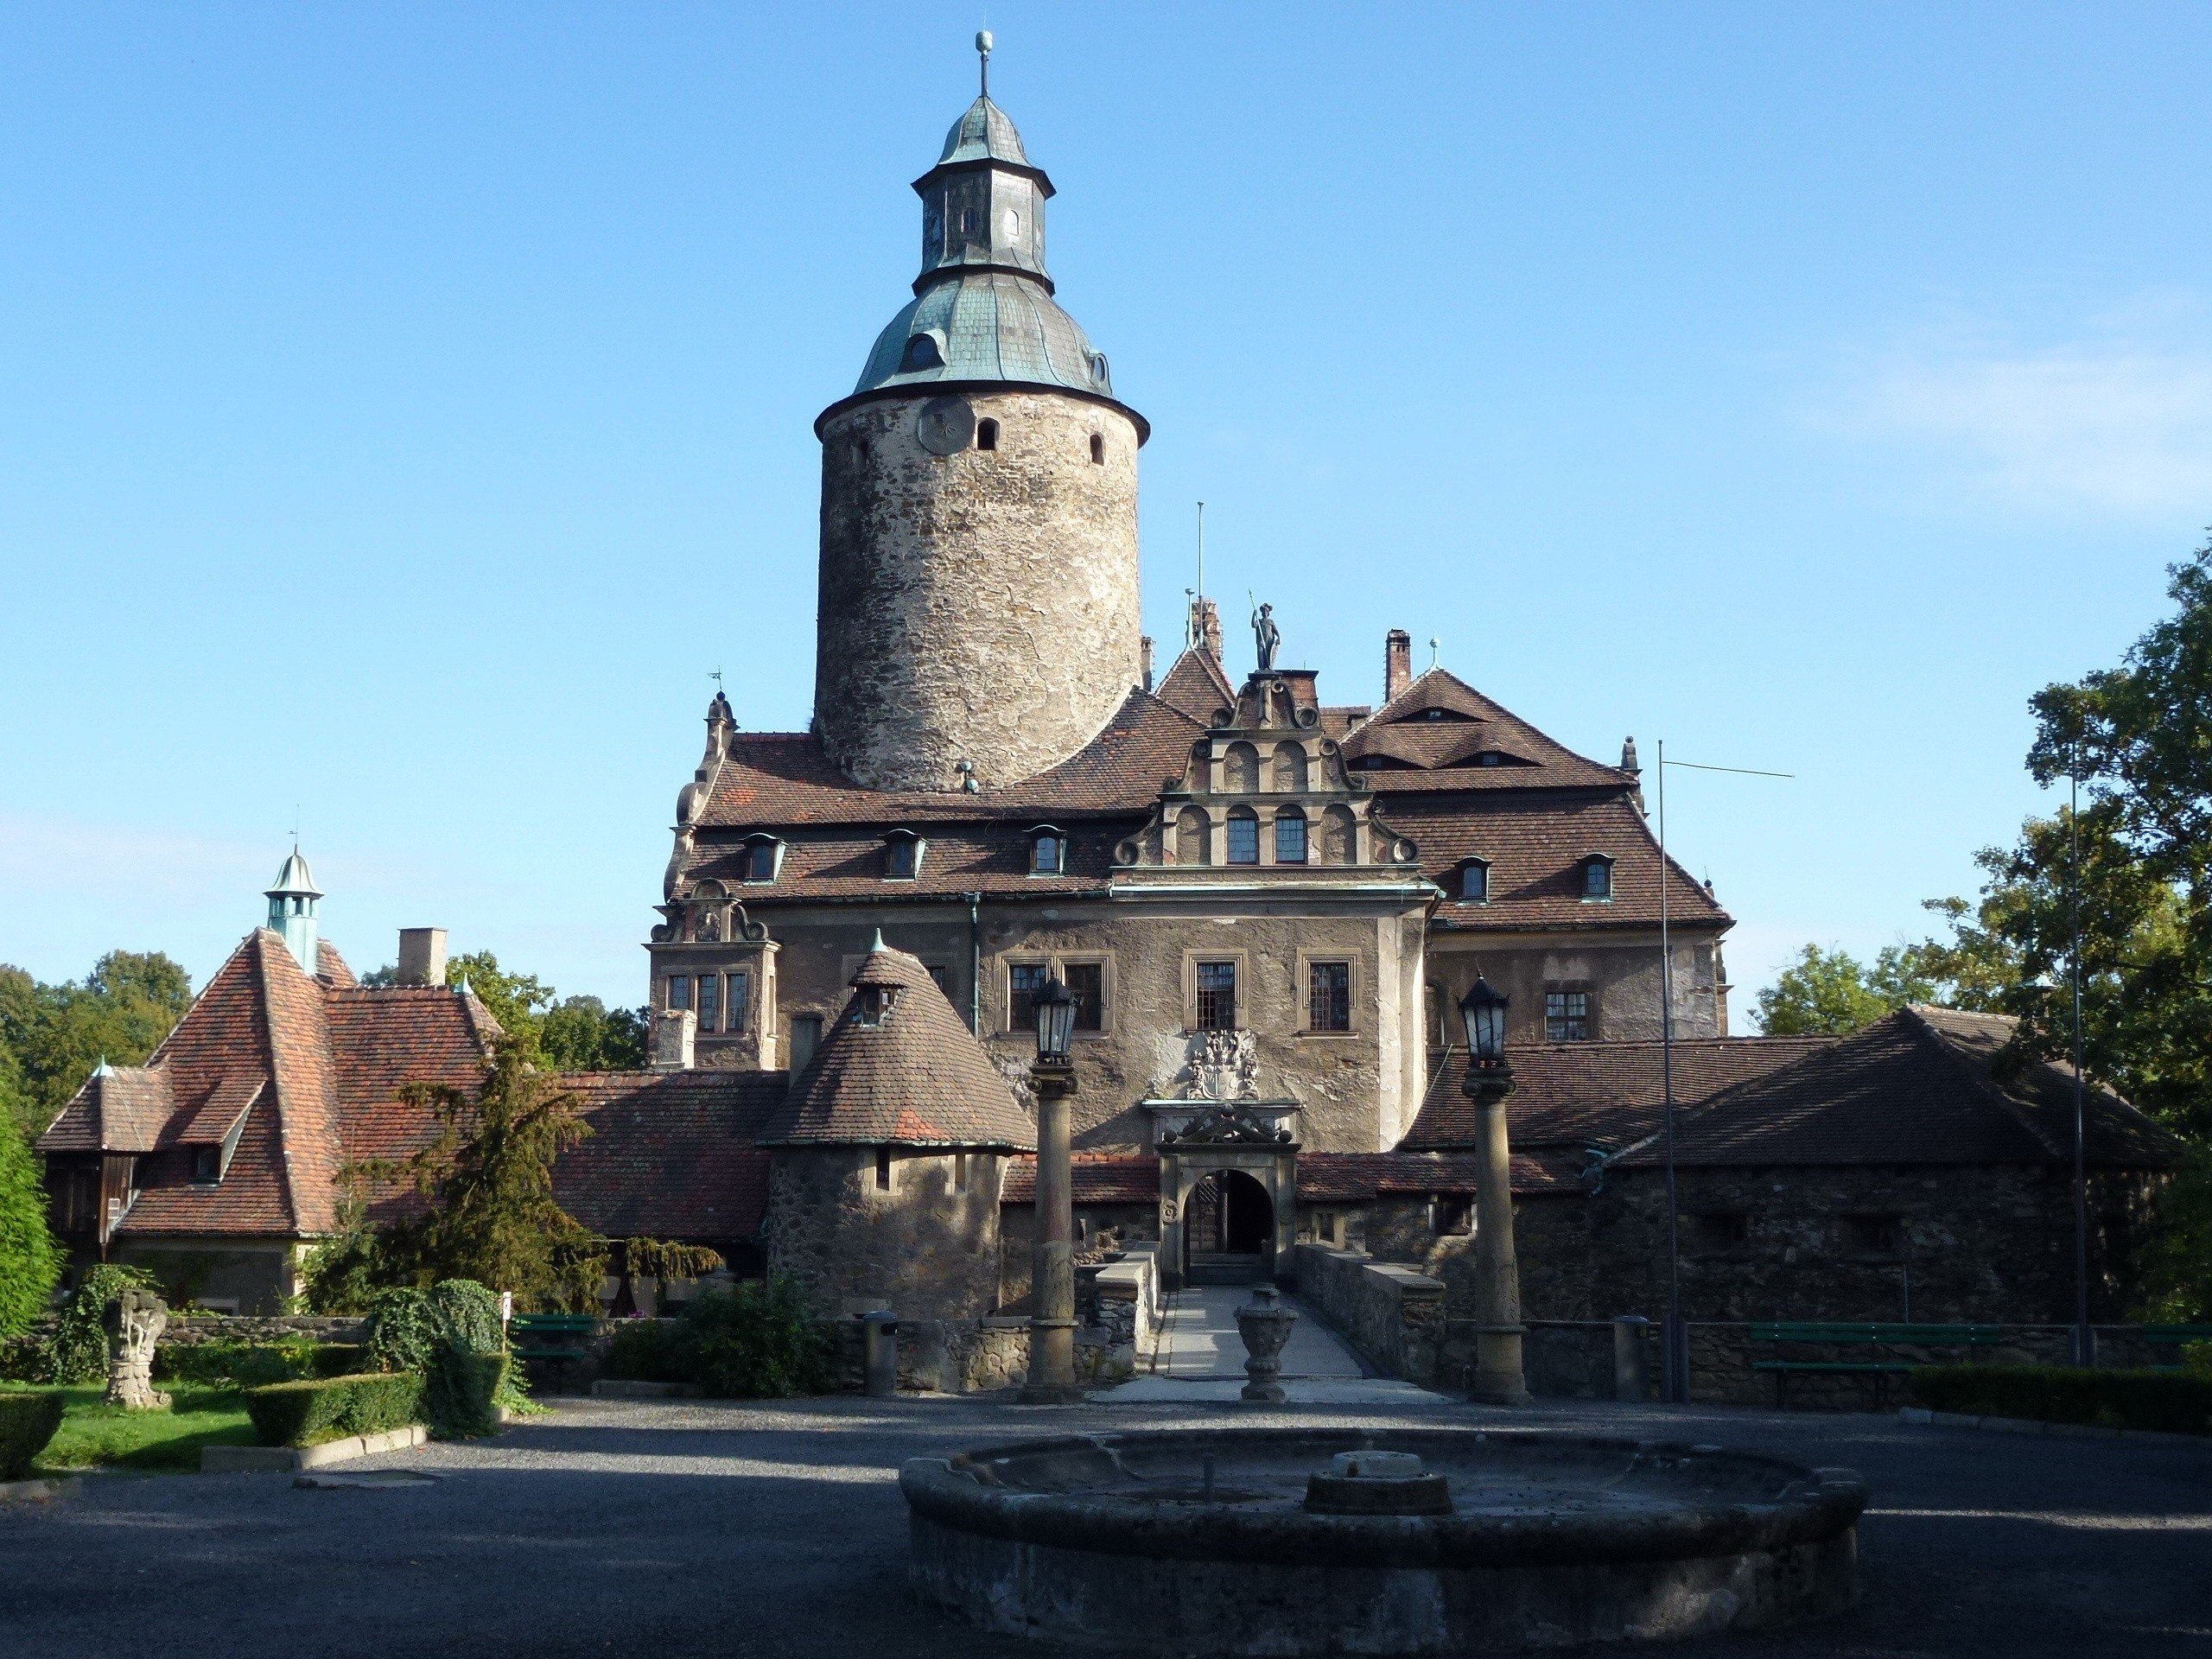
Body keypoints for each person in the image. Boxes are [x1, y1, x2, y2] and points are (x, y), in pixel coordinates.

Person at [1250, 602, 1280, 673]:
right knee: (1261, 653)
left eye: (1266, 611)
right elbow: (1253, 625)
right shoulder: (1259, 621)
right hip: (1261, 641)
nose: (1264, 613)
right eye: (1263, 611)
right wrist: (1254, 615)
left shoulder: (1271, 622)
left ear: (1268, 613)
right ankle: (1261, 668)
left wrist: (1279, 637)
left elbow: (1275, 630)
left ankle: (1268, 667)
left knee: (1269, 654)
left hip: (1269, 640)